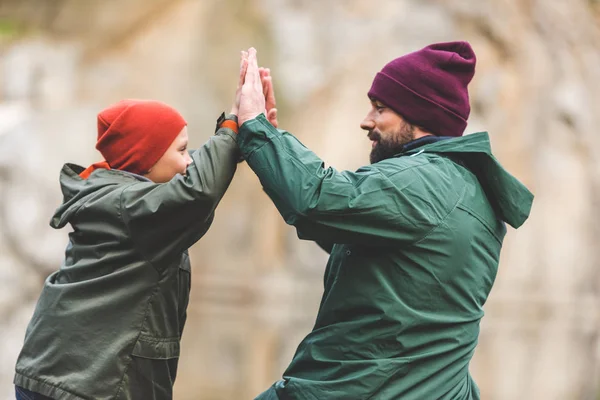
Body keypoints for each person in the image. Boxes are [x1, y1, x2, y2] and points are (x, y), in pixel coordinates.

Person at [238, 44, 534, 400]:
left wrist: (255, 126)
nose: (367, 121)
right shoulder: (463, 186)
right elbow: (344, 230)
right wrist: (275, 148)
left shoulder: (424, 181)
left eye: (381, 109)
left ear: (421, 115)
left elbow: (317, 200)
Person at [13, 55, 250, 400]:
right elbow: (198, 192)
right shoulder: (132, 206)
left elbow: (192, 177)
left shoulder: (113, 194)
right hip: (86, 386)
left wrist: (233, 143)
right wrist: (230, 129)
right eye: (183, 150)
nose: (189, 161)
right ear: (147, 160)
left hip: (52, 376)